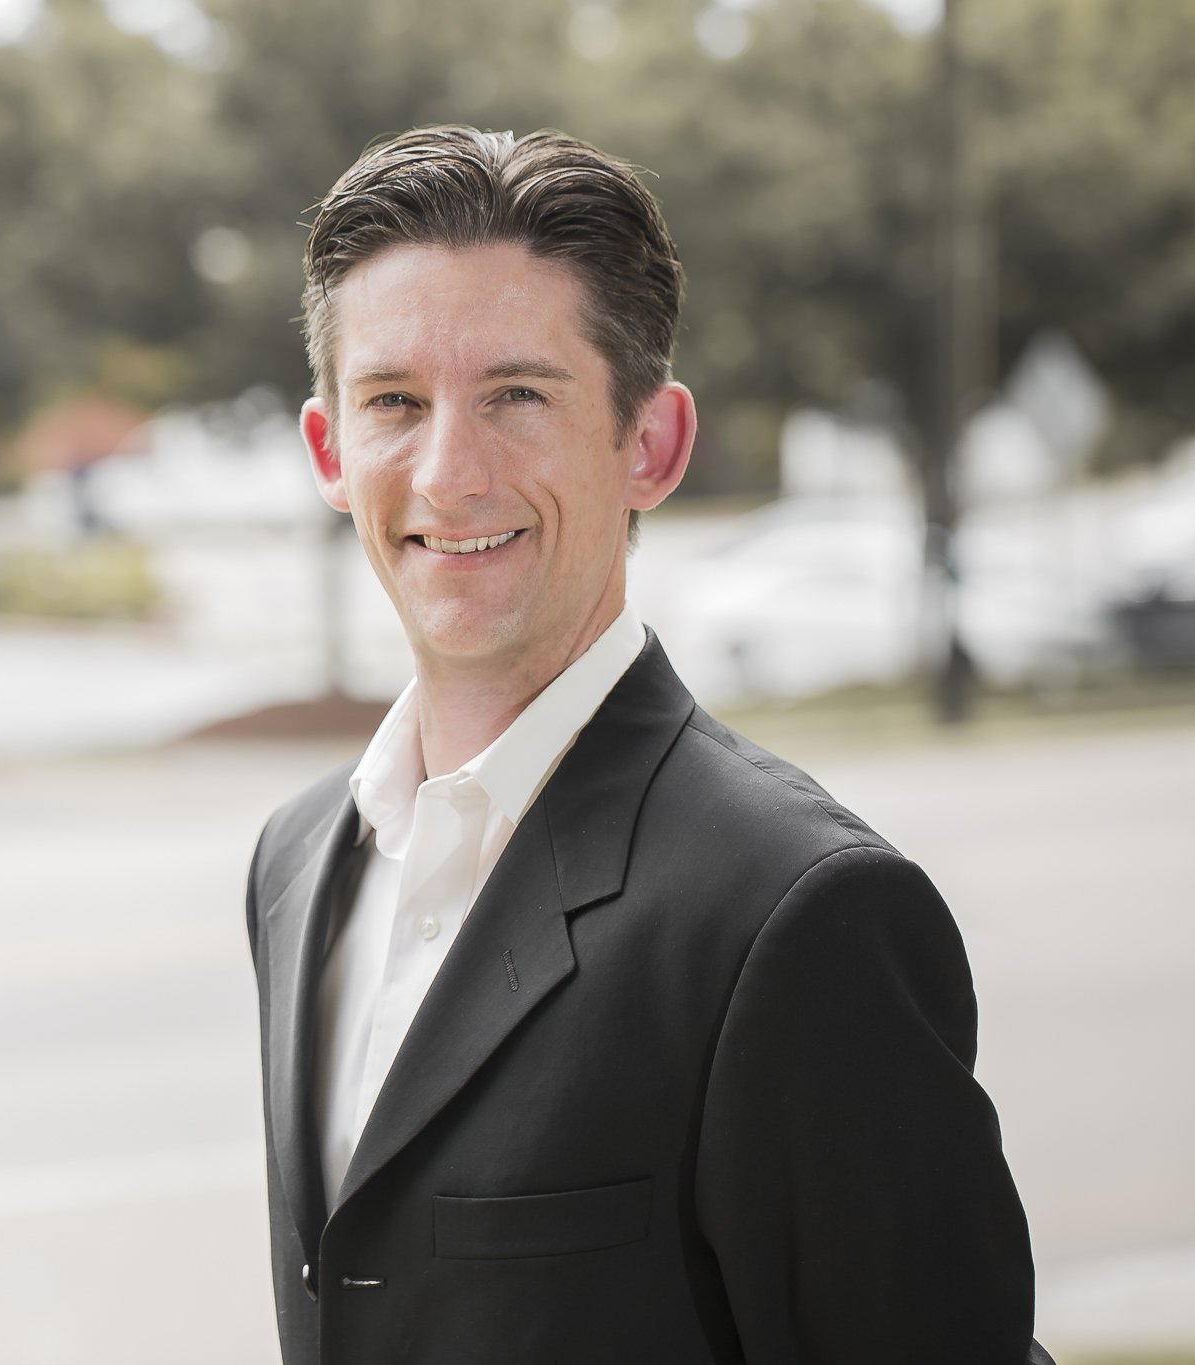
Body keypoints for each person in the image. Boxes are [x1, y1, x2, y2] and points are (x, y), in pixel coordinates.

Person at [245, 125, 1047, 1364]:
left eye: (516, 395)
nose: (448, 473)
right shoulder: (296, 862)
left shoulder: (797, 912)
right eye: (393, 403)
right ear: (327, 454)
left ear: (650, 446)